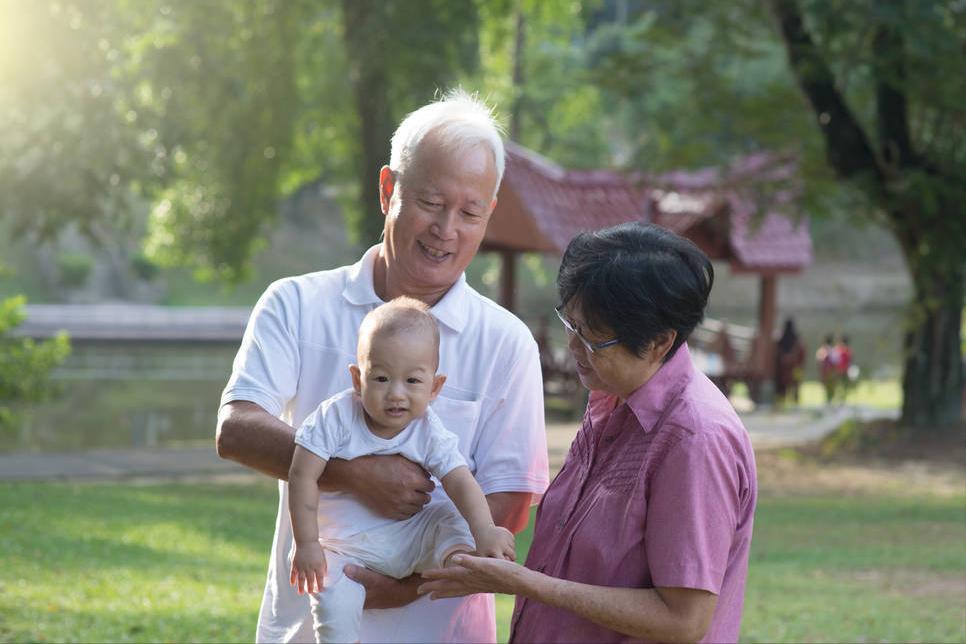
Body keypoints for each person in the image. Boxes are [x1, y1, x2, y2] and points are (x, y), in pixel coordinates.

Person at [216, 89, 549, 643]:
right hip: (304, 626)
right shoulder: (297, 304)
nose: (447, 227)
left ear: (488, 215)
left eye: (469, 212)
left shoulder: (506, 342)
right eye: (431, 201)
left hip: (441, 629)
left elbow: (510, 502)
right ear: (388, 189)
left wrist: (407, 582)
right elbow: (235, 429)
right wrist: (352, 472)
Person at [419, 223, 758, 643]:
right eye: (571, 324)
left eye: (594, 340)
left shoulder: (695, 438)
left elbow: (682, 620)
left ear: (659, 342)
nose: (574, 348)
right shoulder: (610, 396)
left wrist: (524, 583)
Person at [288, 297, 515, 642]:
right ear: (356, 378)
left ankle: (459, 560)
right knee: (332, 597)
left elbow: (460, 480)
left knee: (450, 515)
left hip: (410, 540)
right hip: (344, 546)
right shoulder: (334, 417)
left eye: (412, 381)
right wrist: (306, 543)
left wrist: (485, 530)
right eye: (380, 378)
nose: (395, 393)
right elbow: (302, 474)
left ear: (435, 387)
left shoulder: (428, 429)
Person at [774, 318, 806, 406]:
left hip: (782, 370)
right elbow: (802, 355)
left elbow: (776, 354)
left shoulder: (780, 339)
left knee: (782, 389)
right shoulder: (798, 340)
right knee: (796, 387)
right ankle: (795, 403)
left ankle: (781, 403)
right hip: (795, 368)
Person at [815, 333, 840, 405]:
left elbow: (819, 362)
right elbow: (836, 362)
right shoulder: (834, 350)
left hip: (825, 372)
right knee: (831, 389)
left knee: (827, 388)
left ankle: (828, 401)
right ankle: (829, 401)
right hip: (832, 372)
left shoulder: (822, 351)